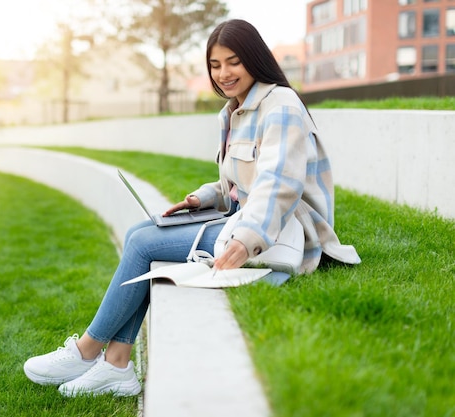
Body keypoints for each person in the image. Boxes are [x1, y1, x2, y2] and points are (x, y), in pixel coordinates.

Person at [23, 19, 361, 397]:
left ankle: (89, 351)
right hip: (246, 218)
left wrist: (247, 241)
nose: (223, 74)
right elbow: (235, 182)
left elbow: (278, 186)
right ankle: (116, 362)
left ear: (254, 59)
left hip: (282, 232)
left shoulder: (280, 106)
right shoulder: (234, 111)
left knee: (142, 244)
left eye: (233, 62)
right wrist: (201, 199)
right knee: (139, 232)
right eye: (215, 66)